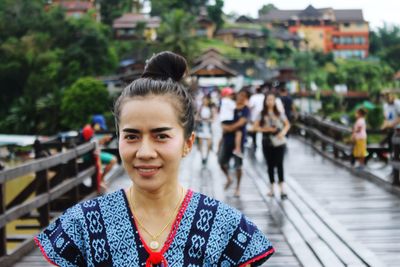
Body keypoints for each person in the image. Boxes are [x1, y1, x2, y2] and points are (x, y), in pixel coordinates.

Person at [34, 51, 274, 266]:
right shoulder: (81, 228)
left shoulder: (225, 230)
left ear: (187, 143)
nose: (145, 152)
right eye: (131, 136)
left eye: (161, 136)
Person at [254, 93, 290, 199]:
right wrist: (266, 130)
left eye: (272, 100)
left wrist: (283, 132)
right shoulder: (261, 114)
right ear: (265, 101)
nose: (270, 102)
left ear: (275, 101)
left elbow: (287, 124)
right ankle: (271, 186)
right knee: (270, 164)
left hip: (279, 141)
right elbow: (255, 127)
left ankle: (282, 187)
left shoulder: (279, 113)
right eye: (268, 100)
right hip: (267, 141)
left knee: (279, 164)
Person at [218, 89, 250, 197]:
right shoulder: (230, 106)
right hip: (226, 139)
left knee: (238, 166)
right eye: (239, 95)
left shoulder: (245, 109)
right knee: (221, 162)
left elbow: (241, 123)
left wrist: (229, 128)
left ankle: (238, 188)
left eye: (243, 96)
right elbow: (222, 122)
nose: (241, 98)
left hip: (239, 142)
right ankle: (229, 178)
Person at [81, 122, 117, 193]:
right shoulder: (88, 130)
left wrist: (103, 140)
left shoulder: (90, 129)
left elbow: (93, 144)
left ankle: (101, 179)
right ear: (96, 125)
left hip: (91, 153)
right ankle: (101, 180)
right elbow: (91, 145)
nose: (100, 129)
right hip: (90, 155)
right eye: (99, 127)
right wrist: (103, 140)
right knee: (113, 160)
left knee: (113, 160)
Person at [219, 87, 244, 158]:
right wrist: (244, 105)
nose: (232, 96)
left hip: (224, 120)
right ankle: (237, 149)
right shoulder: (227, 100)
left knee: (224, 135)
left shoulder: (223, 101)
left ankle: (218, 149)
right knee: (239, 133)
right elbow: (236, 107)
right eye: (230, 94)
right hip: (228, 120)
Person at [195, 94, 216, 165]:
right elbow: (196, 117)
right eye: (204, 99)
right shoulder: (200, 108)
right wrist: (200, 119)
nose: (205, 101)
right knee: (200, 144)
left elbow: (213, 119)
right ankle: (202, 157)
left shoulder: (211, 108)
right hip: (201, 129)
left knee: (209, 145)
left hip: (208, 129)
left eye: (206, 99)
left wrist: (208, 120)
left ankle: (206, 157)